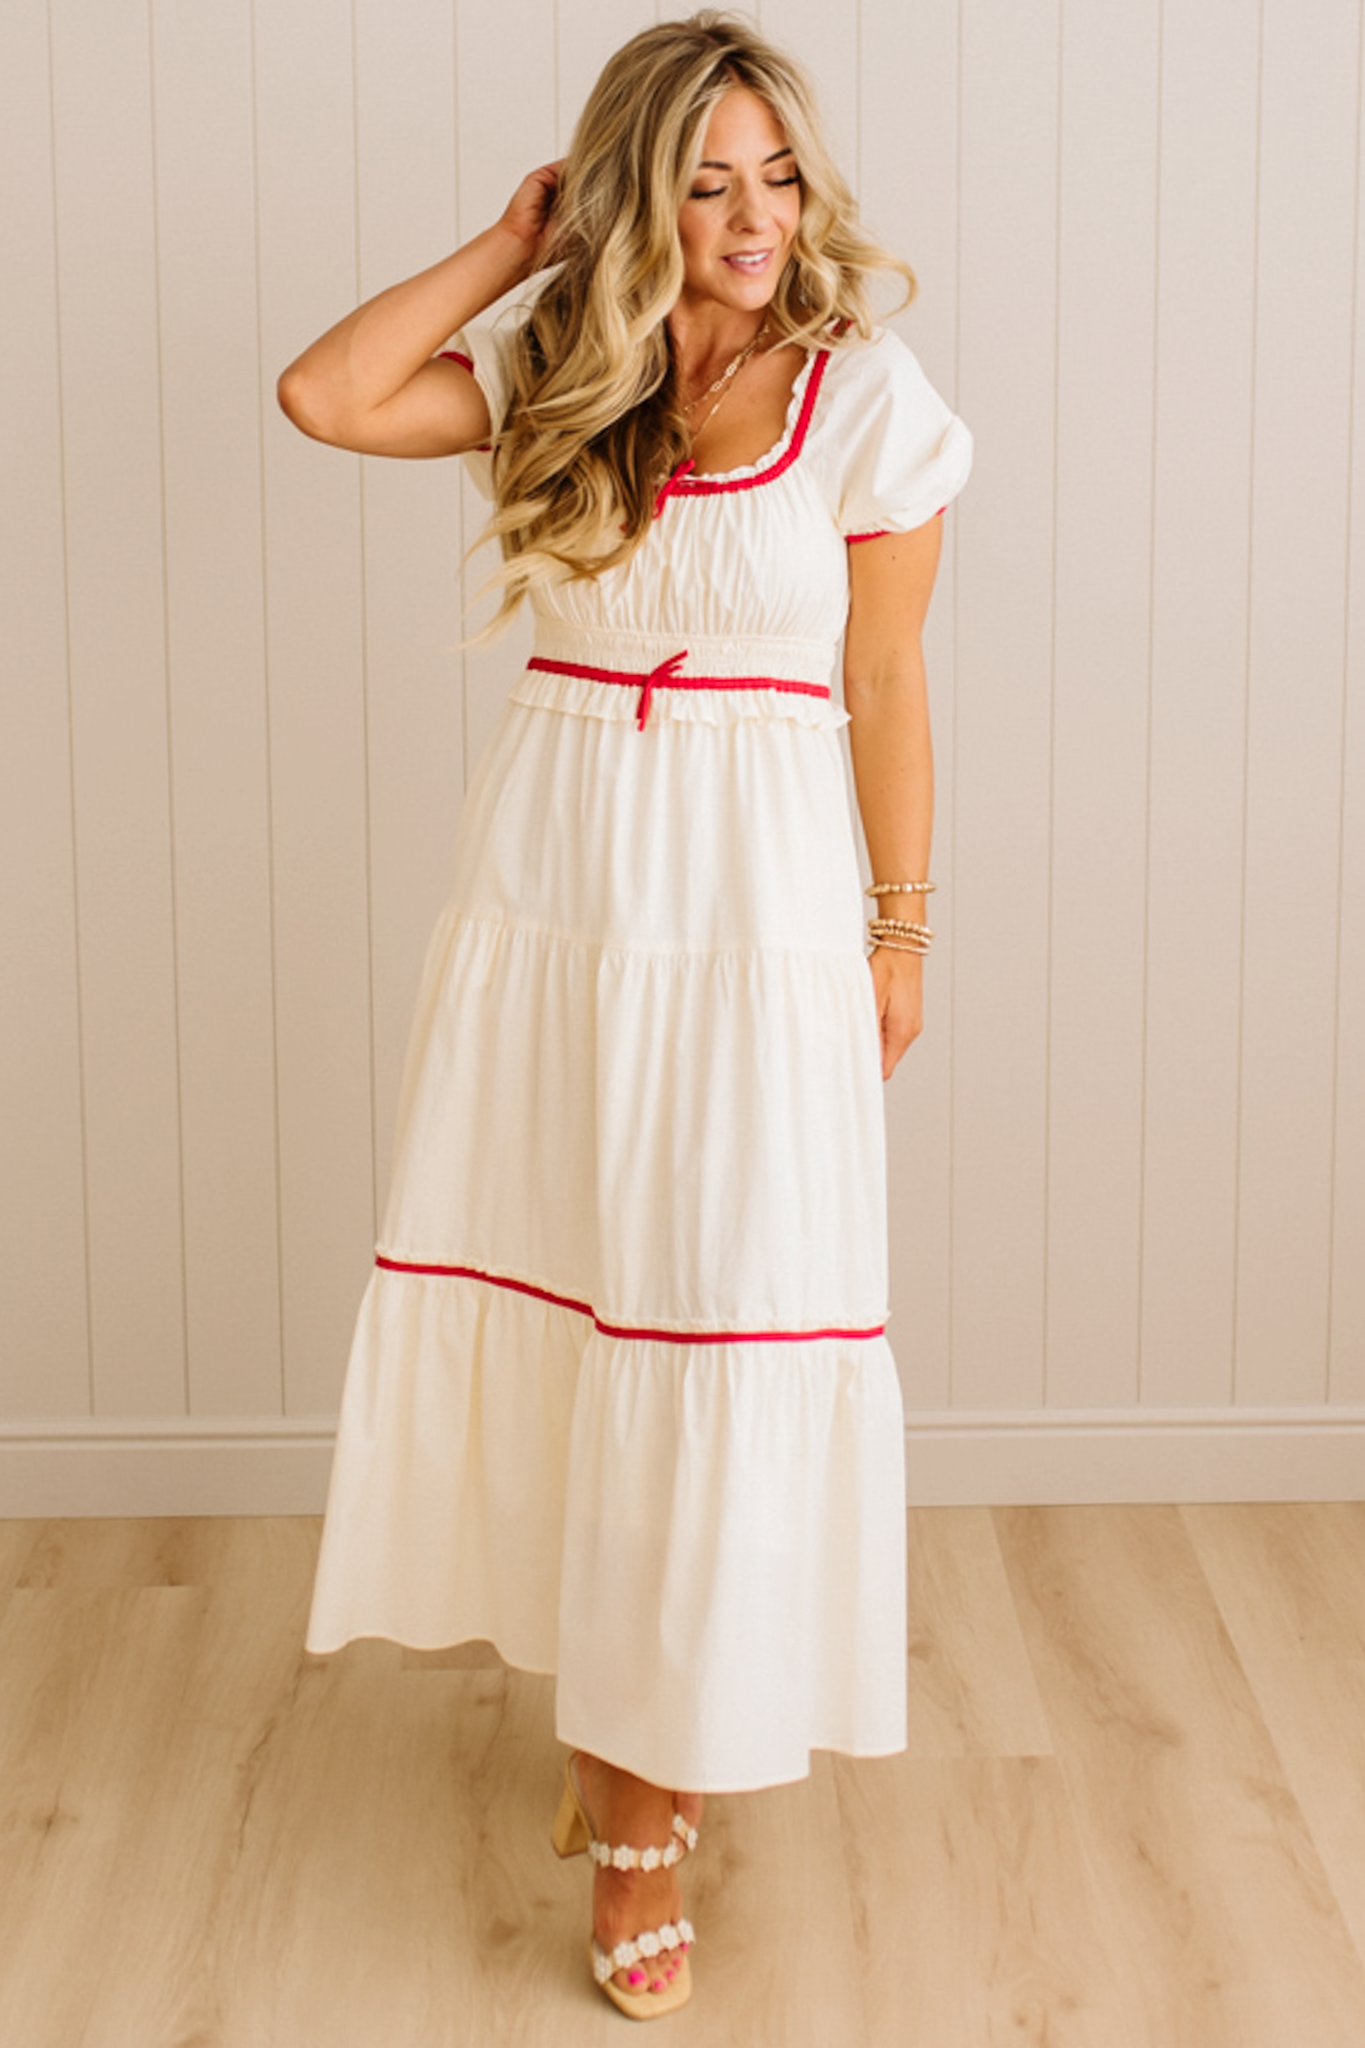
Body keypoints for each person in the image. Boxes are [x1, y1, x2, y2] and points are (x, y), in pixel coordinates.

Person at [278, 8, 970, 2022]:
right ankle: (625, 1761)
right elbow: (327, 391)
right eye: (703, 177)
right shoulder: (566, 390)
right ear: (630, 191)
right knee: (586, 1319)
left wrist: (902, 929)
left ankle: (645, 1802)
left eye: (775, 175)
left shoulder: (866, 401)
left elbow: (890, 685)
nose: (754, 217)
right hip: (556, 903)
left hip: (754, 921)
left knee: (711, 1320)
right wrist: (516, 250)